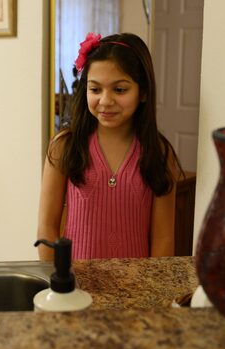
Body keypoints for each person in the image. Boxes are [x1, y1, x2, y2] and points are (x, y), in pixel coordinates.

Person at [36, 32, 181, 260]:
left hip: (136, 291)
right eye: (95, 89)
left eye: (120, 90)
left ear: (143, 91)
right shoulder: (65, 146)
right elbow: (47, 228)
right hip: (75, 289)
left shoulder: (159, 154)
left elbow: (163, 238)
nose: (105, 101)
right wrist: (56, 283)